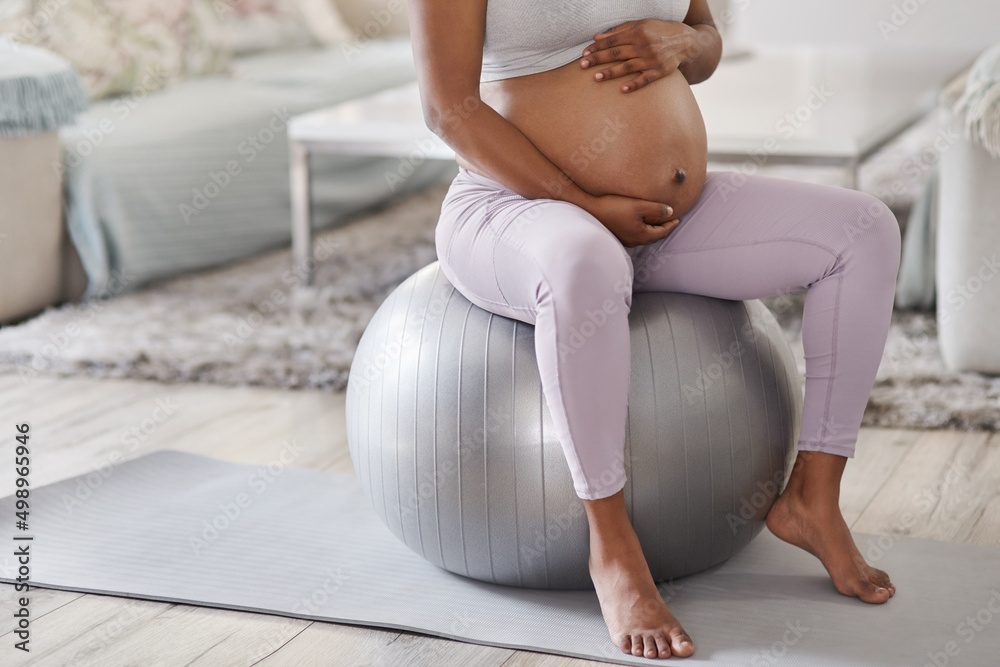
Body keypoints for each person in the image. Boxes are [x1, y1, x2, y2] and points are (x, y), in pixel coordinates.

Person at [410, 0, 900, 659]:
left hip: (661, 219)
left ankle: (814, 495)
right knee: (587, 265)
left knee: (864, 233)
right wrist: (583, 204)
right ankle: (611, 551)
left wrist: (682, 44)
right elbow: (448, 107)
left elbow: (705, 38)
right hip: (516, 207)